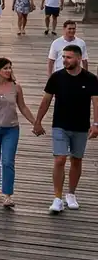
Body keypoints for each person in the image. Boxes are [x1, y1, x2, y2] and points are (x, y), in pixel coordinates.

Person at [34, 45, 98, 214]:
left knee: (76, 160)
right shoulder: (57, 77)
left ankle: (71, 194)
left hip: (80, 126)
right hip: (60, 125)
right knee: (60, 159)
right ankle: (57, 197)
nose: (65, 60)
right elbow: (46, 100)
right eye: (63, 57)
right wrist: (38, 121)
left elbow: (96, 102)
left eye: (69, 57)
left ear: (78, 58)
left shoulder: (90, 78)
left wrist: (96, 124)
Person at [0, 58, 38, 207]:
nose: (9, 71)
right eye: (5, 68)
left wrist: (35, 123)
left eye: (10, 68)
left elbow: (22, 106)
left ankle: (8, 195)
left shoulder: (16, 87)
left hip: (11, 128)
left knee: (8, 161)